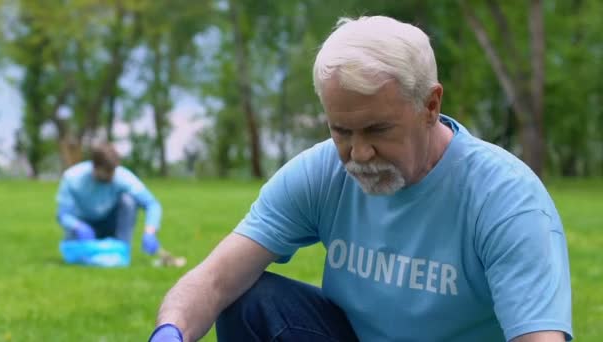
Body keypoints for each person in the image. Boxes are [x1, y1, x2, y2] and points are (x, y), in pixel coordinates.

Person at [148, 16, 572, 342]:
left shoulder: (506, 200)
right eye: (341, 132)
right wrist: (170, 332)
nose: (359, 153)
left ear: (430, 104)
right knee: (250, 298)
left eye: (378, 130)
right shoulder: (320, 174)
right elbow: (214, 279)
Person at [56, 143, 162, 257]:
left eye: (113, 171)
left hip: (110, 222)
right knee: (77, 253)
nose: (111, 176)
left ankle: (122, 249)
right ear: (95, 167)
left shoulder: (122, 176)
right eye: (106, 171)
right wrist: (77, 226)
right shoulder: (73, 178)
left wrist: (149, 232)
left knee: (128, 201)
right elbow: (63, 214)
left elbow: (151, 204)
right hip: (84, 224)